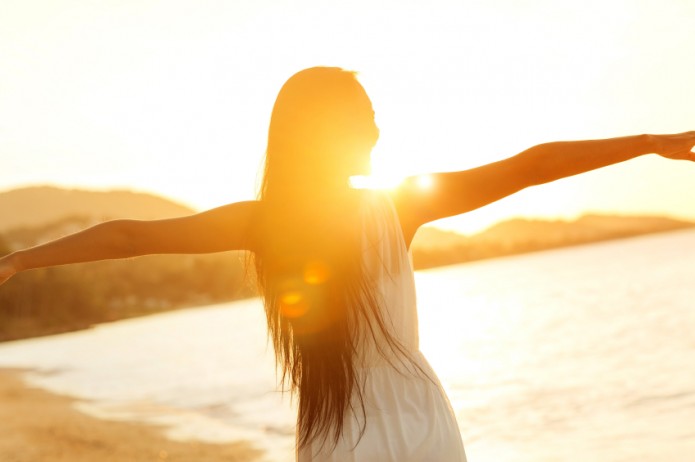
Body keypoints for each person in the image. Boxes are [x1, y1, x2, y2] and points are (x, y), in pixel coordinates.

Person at [0, 66, 693, 461]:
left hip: (336, 441)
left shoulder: (265, 225)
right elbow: (531, 167)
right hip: (426, 431)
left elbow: (129, 237)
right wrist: (648, 142)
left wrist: (23, 261)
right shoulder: (396, 208)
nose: (376, 128)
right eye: (364, 115)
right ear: (330, 130)